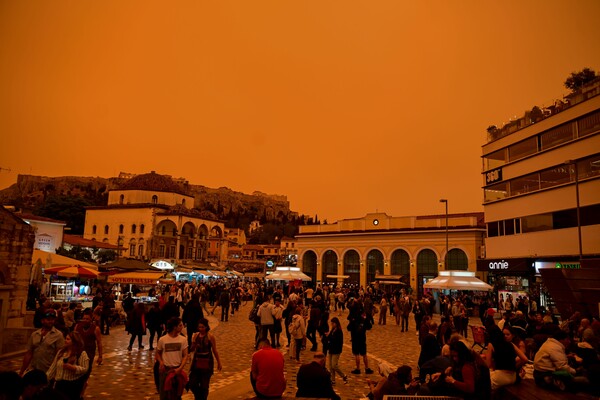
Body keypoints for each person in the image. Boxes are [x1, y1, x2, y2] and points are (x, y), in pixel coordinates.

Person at [20, 309, 66, 376]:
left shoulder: (58, 335)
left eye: (52, 319)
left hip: (48, 371)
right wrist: (22, 371)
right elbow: (29, 353)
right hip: (33, 370)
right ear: (42, 321)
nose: (51, 321)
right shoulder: (35, 334)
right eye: (48, 319)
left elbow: (59, 355)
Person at [46, 331, 90, 400]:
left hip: (72, 386)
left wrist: (73, 368)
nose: (65, 341)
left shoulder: (81, 353)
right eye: (65, 338)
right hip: (59, 385)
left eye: (68, 339)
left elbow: (85, 369)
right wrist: (45, 379)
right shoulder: (61, 352)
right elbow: (53, 367)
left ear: (74, 341)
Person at [485, 325, 528, 390]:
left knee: (481, 383)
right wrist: (513, 366)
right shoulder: (511, 344)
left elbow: (487, 365)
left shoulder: (491, 344)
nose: (505, 336)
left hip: (500, 376)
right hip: (513, 377)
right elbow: (525, 359)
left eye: (508, 334)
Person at [156, 317, 189, 400]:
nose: (182, 327)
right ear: (175, 327)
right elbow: (158, 353)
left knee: (177, 395)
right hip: (166, 371)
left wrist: (180, 368)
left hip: (177, 370)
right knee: (164, 395)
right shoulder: (162, 339)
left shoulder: (183, 339)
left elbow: (185, 355)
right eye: (180, 325)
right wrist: (161, 362)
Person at [188, 318, 222, 400]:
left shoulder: (210, 337)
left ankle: (202, 398)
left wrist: (219, 362)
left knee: (204, 385)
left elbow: (214, 350)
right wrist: (193, 342)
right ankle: (199, 397)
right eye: (199, 327)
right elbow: (191, 349)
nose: (201, 329)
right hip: (197, 362)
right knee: (192, 383)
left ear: (206, 327)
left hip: (207, 362)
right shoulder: (196, 335)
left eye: (202, 327)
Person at [327, 317, 348, 385]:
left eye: (333, 323)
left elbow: (336, 340)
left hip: (336, 350)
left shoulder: (339, 331)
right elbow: (330, 337)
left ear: (336, 323)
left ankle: (343, 376)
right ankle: (332, 380)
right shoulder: (333, 330)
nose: (332, 324)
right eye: (331, 323)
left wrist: (329, 338)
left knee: (334, 365)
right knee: (330, 366)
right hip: (331, 349)